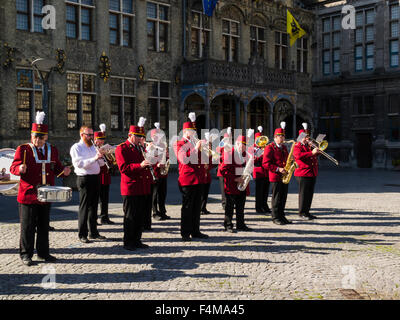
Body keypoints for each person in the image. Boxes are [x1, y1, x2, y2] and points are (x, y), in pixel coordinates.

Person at [10, 112, 71, 266]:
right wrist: (20, 168)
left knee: (44, 225)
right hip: (29, 194)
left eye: (40, 137)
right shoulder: (23, 149)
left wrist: (64, 171)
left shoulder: (52, 149)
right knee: (28, 226)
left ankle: (43, 253)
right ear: (31, 136)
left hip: (47, 193)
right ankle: (26, 254)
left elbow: (56, 168)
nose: (37, 140)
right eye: (35, 136)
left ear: (46, 137)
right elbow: (13, 167)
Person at [115, 117, 152, 251]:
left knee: (140, 215)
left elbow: (147, 163)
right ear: (130, 135)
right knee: (130, 216)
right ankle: (128, 241)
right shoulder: (121, 148)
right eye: (137, 136)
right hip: (130, 187)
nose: (140, 139)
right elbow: (123, 168)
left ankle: (137, 239)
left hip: (142, 186)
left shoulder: (141, 148)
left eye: (141, 136)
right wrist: (140, 165)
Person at [173, 112, 208, 241]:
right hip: (187, 180)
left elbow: (203, 161)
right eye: (192, 132)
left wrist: (208, 154)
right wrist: (196, 148)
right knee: (187, 207)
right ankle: (185, 232)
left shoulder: (195, 143)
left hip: (199, 179)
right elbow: (184, 159)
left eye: (195, 131)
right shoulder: (179, 143)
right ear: (185, 132)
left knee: (197, 206)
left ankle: (196, 230)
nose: (194, 134)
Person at [70, 126, 107, 243]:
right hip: (84, 178)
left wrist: (103, 157)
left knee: (94, 206)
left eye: (92, 135)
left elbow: (99, 164)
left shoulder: (93, 147)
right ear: (82, 135)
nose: (92, 137)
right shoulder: (77, 147)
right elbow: (79, 164)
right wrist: (95, 158)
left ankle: (93, 232)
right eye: (89, 135)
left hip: (95, 177)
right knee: (84, 207)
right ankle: (82, 234)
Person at [219, 131, 254, 232]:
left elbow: (247, 167)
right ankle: (228, 225)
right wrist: (235, 178)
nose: (244, 148)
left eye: (245, 146)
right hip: (231, 184)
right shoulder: (229, 153)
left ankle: (241, 224)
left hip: (242, 183)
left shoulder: (245, 154)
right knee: (229, 206)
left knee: (240, 206)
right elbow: (223, 170)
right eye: (242, 145)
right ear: (237, 143)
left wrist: (247, 173)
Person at [262, 122, 292, 225]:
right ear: (275, 137)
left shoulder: (283, 147)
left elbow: (287, 159)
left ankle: (282, 216)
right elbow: (265, 163)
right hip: (275, 176)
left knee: (283, 197)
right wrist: (278, 169)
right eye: (281, 136)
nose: (283, 138)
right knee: (276, 198)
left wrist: (290, 163)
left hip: (284, 175)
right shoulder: (269, 147)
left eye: (283, 136)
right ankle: (275, 217)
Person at [293, 123, 320, 220]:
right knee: (303, 194)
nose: (307, 139)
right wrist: (311, 152)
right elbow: (299, 156)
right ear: (300, 138)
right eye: (305, 137)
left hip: (311, 172)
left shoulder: (309, 146)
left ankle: (307, 212)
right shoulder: (297, 146)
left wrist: (317, 152)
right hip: (302, 173)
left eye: (308, 137)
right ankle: (302, 213)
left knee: (309, 194)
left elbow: (313, 157)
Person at [149, 122, 170, 221]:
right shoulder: (151, 146)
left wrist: (166, 158)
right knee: (155, 194)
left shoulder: (163, 145)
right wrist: (156, 164)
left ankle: (162, 211)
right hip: (155, 172)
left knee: (163, 193)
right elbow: (148, 159)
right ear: (153, 137)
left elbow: (167, 157)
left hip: (163, 173)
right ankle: (154, 212)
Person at [94, 124, 114, 225]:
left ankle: (104, 217)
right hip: (97, 177)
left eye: (102, 139)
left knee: (105, 199)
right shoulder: (93, 149)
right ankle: (93, 218)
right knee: (94, 200)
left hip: (105, 177)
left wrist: (109, 154)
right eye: (99, 139)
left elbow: (111, 161)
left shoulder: (105, 148)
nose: (101, 141)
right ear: (95, 139)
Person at [253, 126, 271, 214]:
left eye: (262, 139)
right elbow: (253, 160)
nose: (261, 141)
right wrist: (261, 153)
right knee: (259, 191)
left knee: (266, 190)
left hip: (266, 172)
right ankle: (258, 207)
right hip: (258, 171)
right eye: (259, 139)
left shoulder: (266, 147)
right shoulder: (253, 148)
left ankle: (265, 205)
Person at [216, 127, 232, 211]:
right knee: (223, 188)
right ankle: (224, 203)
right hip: (222, 171)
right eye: (227, 139)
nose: (228, 140)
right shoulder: (221, 145)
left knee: (230, 188)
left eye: (229, 139)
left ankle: (229, 203)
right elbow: (216, 154)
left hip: (230, 171)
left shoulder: (231, 146)